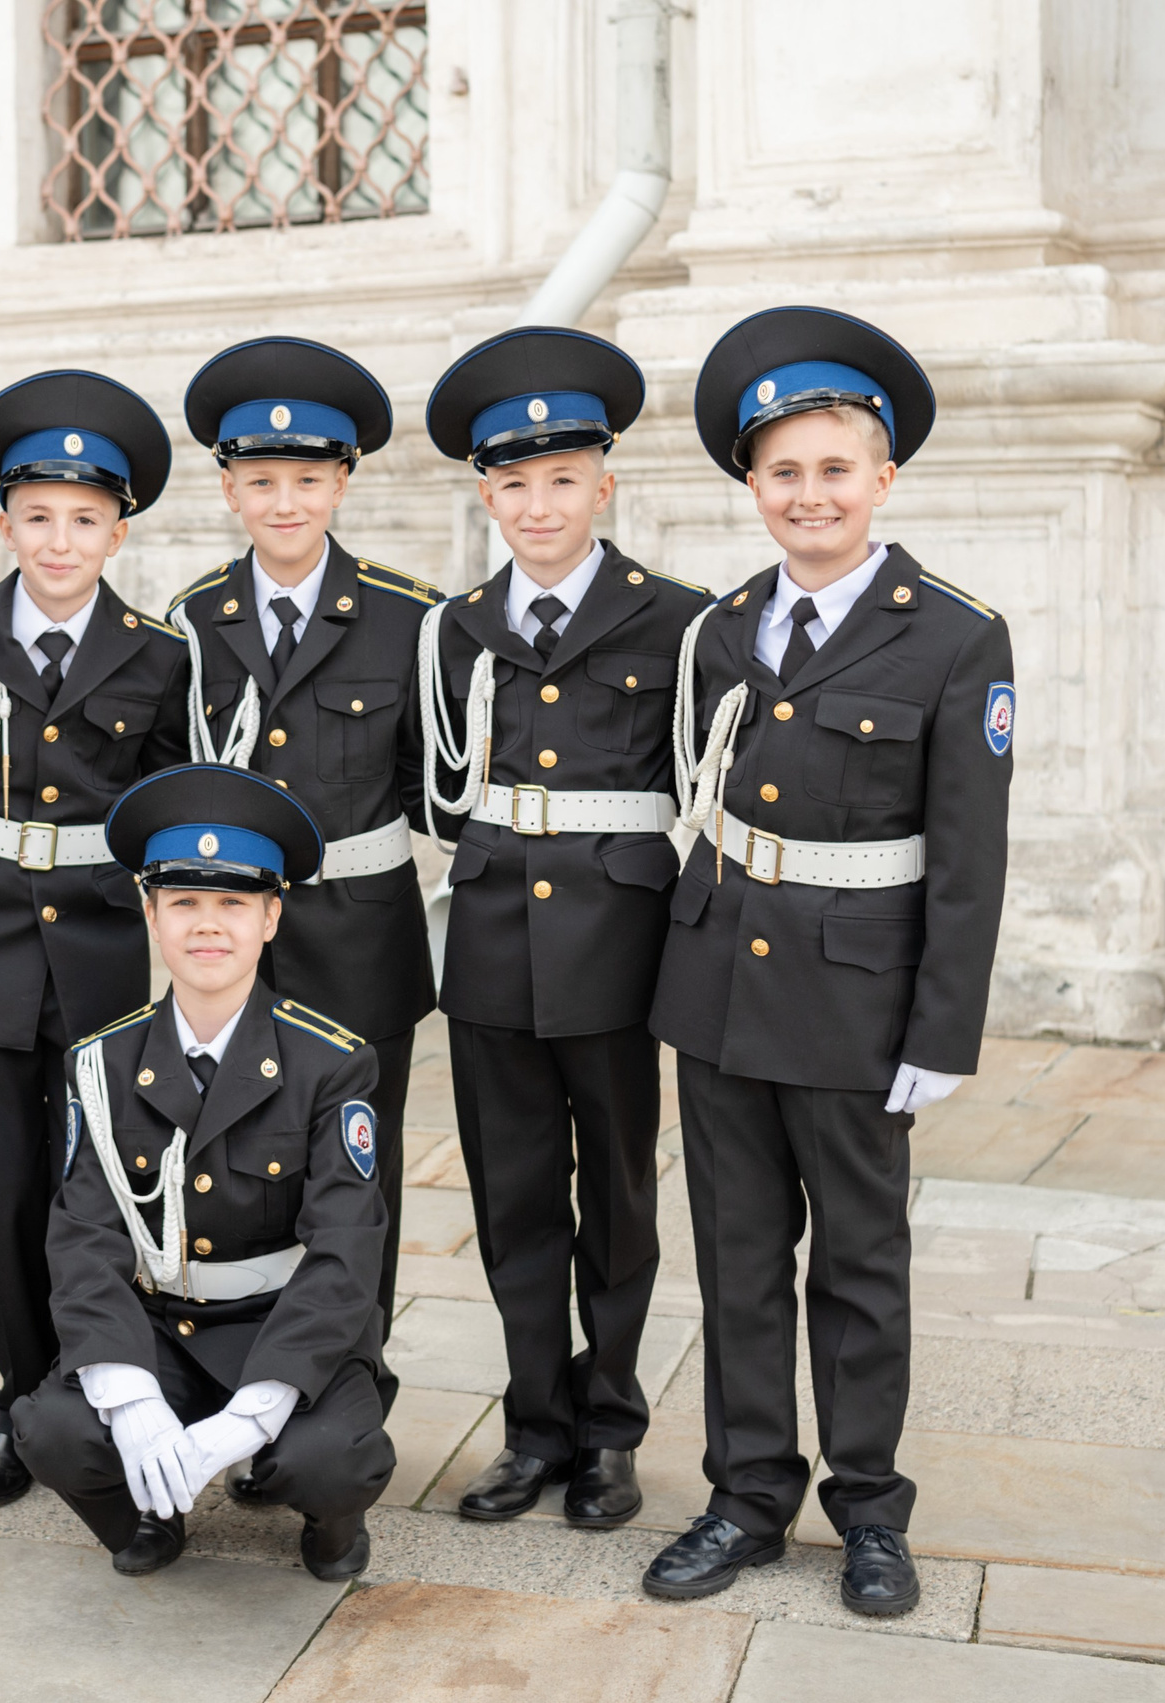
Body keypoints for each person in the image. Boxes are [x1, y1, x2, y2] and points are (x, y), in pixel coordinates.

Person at [640, 307, 1012, 1613]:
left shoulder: (956, 637)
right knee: (738, 1257)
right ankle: (746, 1494)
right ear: (754, 485)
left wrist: (941, 1031)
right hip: (723, 996)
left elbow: (971, 857)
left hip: (859, 1005)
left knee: (858, 1265)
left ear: (884, 476)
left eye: (834, 469)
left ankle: (868, 1508)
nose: (810, 494)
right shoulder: (725, 627)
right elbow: (708, 802)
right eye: (784, 472)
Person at [416, 327, 711, 1530]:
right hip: (490, 941)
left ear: (605, 480)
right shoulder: (453, 626)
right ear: (486, 492)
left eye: (561, 479)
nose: (537, 505)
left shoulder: (678, 621)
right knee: (513, 1197)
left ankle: (610, 1430)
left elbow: (700, 786)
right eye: (512, 483)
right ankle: (533, 1425)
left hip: (617, 947)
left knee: (620, 1204)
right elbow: (431, 788)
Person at [0, 369, 191, 1509]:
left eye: (84, 518)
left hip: (96, 952)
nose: (59, 539)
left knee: (94, 1188)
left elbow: (171, 808)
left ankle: (91, 1387)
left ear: (116, 529)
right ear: (4, 521)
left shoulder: (159, 653)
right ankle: (22, 1403)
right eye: (37, 516)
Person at [13, 763, 394, 1581]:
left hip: (281, 1319)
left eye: (232, 903)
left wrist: (256, 1413)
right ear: (151, 915)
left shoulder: (332, 1063)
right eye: (184, 902)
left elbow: (347, 1251)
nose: (207, 926)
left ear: (271, 917)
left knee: (333, 1457)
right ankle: (149, 1517)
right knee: (52, 1429)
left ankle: (330, 1527)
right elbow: (83, 1237)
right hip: (162, 1328)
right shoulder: (102, 1062)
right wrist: (130, 1391)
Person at [168, 337, 439, 1447]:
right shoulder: (193, 621)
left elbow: (435, 786)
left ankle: (343, 1407)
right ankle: (233, 1387)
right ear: (229, 487)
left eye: (308, 478)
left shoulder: (410, 616)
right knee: (234, 1172)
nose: (285, 500)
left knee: (353, 1184)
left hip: (363, 945)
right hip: (232, 952)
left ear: (343, 482)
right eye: (262, 480)